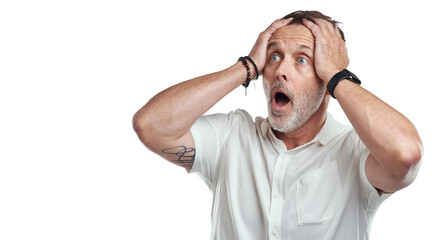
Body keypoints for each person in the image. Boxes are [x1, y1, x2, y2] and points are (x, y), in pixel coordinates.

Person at [133, 10, 423, 240]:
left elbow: (406, 155)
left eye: (301, 59)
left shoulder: (355, 153)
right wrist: (245, 67)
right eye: (274, 56)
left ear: (325, 77)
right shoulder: (230, 137)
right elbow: (150, 125)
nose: (281, 70)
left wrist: (337, 75)